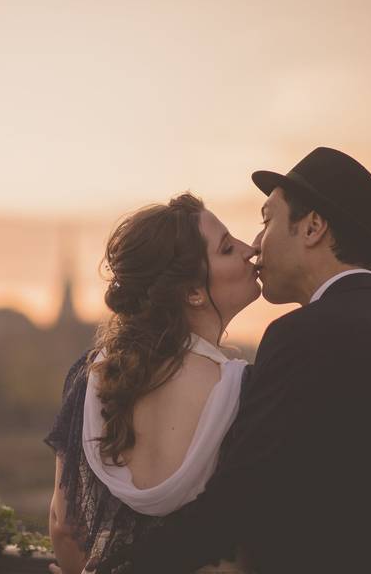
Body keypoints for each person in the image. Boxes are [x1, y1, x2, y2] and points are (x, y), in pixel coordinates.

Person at [95, 147, 371, 574]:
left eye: (267, 219)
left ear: (312, 228)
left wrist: (122, 568)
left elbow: (239, 499)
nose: (255, 245)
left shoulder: (302, 336)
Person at [44, 192, 261, 574]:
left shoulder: (93, 376)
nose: (250, 250)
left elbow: (64, 525)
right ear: (193, 293)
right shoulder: (243, 388)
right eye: (228, 248)